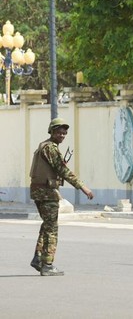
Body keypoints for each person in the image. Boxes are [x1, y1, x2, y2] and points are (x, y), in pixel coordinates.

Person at [29, 118, 94, 276]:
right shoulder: (50, 148)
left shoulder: (44, 146)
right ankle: (48, 265)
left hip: (40, 191)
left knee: (47, 225)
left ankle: (38, 258)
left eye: (64, 132)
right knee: (52, 228)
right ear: (51, 131)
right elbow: (63, 170)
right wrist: (83, 187)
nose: (62, 135)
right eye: (59, 132)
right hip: (47, 193)